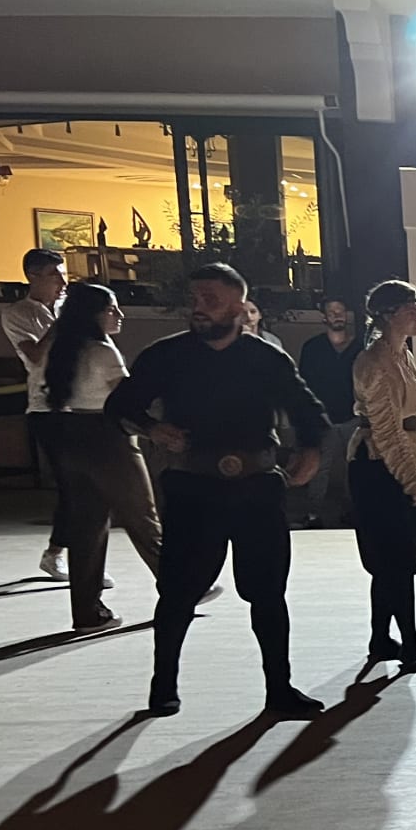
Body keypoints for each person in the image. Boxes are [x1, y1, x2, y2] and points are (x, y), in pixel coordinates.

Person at [105, 262, 329, 720]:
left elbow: (310, 414)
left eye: (211, 299)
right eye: (195, 298)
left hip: (257, 489)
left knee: (267, 593)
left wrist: (311, 451)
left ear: (239, 307)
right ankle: (163, 685)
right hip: (194, 488)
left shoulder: (266, 358)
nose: (199, 307)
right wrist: (151, 428)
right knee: (178, 592)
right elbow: (120, 406)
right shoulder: (166, 355)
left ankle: (280, 689)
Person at [36, 283, 166, 631]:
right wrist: (154, 429)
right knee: (143, 518)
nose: (119, 315)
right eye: (112, 309)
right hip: (109, 438)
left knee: (87, 527)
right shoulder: (103, 352)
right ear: (92, 314)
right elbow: (125, 404)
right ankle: (181, 586)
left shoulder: (61, 349)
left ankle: (87, 612)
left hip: (71, 435)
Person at [350, 280, 416, 672]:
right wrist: (411, 479)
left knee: (398, 557)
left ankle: (380, 637)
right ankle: (410, 644)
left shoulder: (402, 356)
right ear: (389, 314)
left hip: (407, 452)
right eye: (411, 308)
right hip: (378, 464)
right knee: (393, 558)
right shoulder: (374, 363)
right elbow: (386, 431)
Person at [0, 247, 72, 580]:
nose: (62, 282)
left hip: (82, 403)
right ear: (33, 276)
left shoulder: (68, 306)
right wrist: (64, 325)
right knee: (71, 484)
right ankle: (58, 553)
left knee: (89, 486)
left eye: (63, 274)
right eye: (55, 275)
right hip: (47, 408)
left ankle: (81, 559)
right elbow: (35, 356)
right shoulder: (17, 314)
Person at [296, 296, 363, 527]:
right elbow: (303, 384)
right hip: (323, 417)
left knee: (354, 467)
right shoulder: (313, 348)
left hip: (354, 416)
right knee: (319, 467)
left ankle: (353, 512)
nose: (337, 315)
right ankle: (313, 514)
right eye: (332, 312)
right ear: (324, 317)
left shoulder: (361, 348)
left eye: (341, 311)